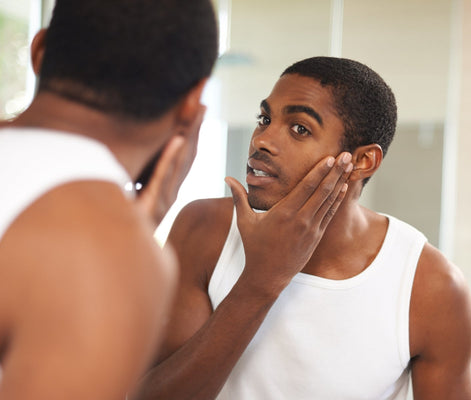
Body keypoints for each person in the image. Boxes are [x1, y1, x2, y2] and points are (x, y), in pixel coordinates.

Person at [0, 1, 351, 399]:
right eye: (264, 120)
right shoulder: (109, 249)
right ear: (192, 104)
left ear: (39, 52)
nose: (265, 139)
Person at [138, 57, 471, 400]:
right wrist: (260, 282)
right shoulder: (205, 229)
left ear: (362, 162)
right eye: (264, 119)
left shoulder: (430, 286)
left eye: (299, 128)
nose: (262, 140)